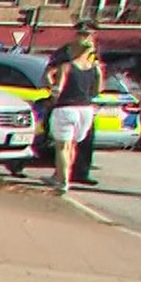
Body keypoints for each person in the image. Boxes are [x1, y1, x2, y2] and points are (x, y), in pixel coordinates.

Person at [46, 20, 102, 186]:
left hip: (78, 105)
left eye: (90, 33)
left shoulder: (95, 52)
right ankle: (61, 175)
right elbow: (51, 71)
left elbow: (96, 81)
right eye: (83, 33)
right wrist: (52, 87)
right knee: (65, 144)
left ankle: (69, 176)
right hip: (78, 104)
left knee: (71, 145)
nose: (87, 36)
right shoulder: (66, 51)